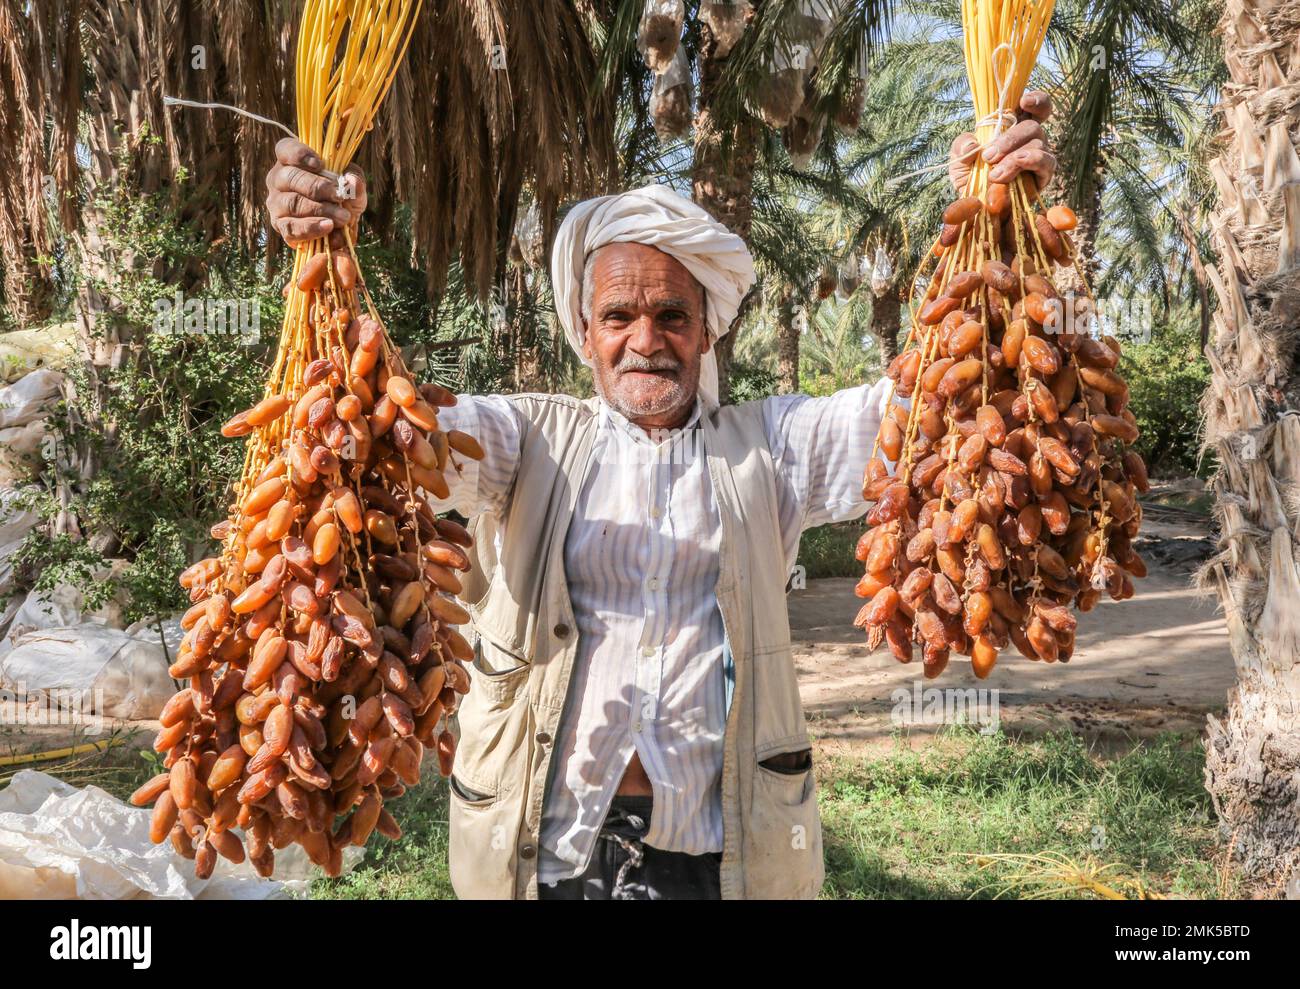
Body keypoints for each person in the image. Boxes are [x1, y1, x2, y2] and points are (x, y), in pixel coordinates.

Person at [263, 93, 1056, 900]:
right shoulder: (527, 439)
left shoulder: (770, 450)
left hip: (712, 853)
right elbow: (397, 428)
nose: (645, 339)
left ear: (706, 331)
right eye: (619, 315)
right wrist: (326, 253)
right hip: (547, 846)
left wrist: (983, 222)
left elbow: (922, 409)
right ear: (586, 326)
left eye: (671, 315)